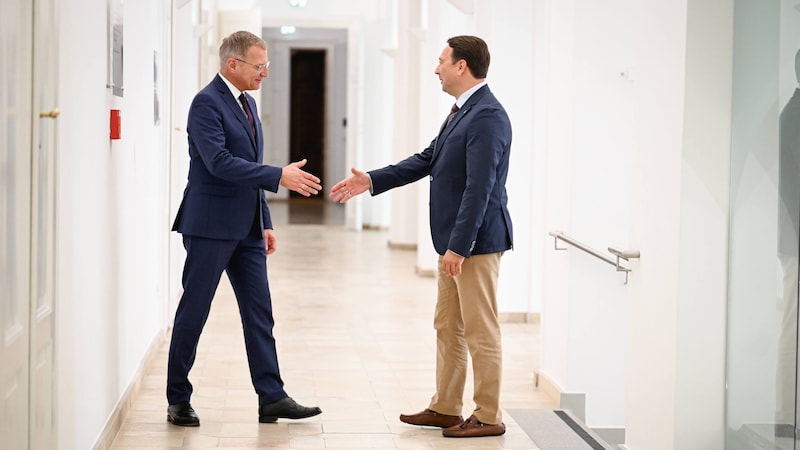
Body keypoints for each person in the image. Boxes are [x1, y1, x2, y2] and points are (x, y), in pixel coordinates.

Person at [330, 35, 513, 438]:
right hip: (454, 242)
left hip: (475, 245)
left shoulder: (487, 116)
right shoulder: (461, 112)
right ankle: (446, 407)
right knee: (448, 326)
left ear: (461, 66)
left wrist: (458, 248)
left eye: (442, 61)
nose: (436, 69)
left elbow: (478, 189)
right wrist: (372, 181)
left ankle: (488, 415)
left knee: (480, 331)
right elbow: (428, 159)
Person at [167, 30, 323, 427]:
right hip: (209, 225)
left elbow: (249, 168)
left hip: (248, 228)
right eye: (260, 66)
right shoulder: (205, 104)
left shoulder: (248, 104)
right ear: (232, 64)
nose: (265, 73)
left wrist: (265, 221)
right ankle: (177, 398)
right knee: (195, 311)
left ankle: (271, 397)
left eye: (267, 65)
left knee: (260, 314)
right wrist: (278, 176)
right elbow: (218, 162)